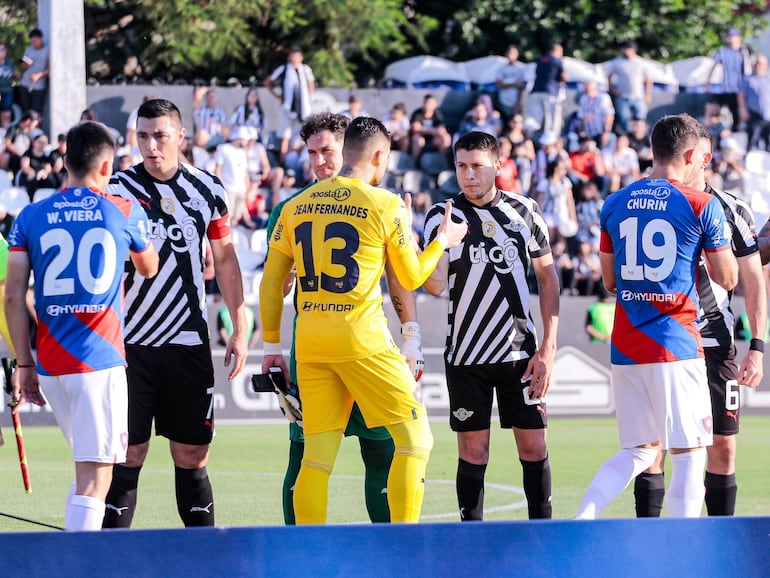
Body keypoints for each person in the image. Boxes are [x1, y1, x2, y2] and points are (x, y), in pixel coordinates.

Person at [260, 116, 468, 525]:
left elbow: (270, 286)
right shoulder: (386, 203)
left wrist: (271, 348)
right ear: (378, 156)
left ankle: (309, 556)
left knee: (315, 458)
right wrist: (444, 239)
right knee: (414, 441)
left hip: (311, 344)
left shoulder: (295, 206)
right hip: (363, 341)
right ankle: (403, 550)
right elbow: (410, 277)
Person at [575, 114, 739, 520]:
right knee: (689, 453)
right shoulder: (701, 203)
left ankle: (584, 515)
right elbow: (728, 277)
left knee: (638, 450)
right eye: (702, 157)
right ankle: (681, 548)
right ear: (688, 154)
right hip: (675, 343)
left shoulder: (614, 202)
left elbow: (611, 282)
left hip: (626, 344)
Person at [102, 98, 249, 529]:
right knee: (129, 453)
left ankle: (203, 558)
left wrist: (240, 324)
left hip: (188, 342)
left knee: (192, 454)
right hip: (130, 344)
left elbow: (224, 259)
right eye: (142, 137)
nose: (150, 146)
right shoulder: (116, 189)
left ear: (181, 137)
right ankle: (111, 558)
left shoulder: (209, 189)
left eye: (160, 136)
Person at [4, 121, 159, 531]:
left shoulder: (31, 215)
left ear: (65, 162)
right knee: (97, 479)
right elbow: (149, 266)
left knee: (86, 472)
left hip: (51, 364)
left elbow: (12, 296)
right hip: (98, 362)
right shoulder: (122, 208)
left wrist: (25, 364)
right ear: (107, 167)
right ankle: (78, 569)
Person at [423, 131, 560, 521]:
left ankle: (542, 536)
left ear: (498, 165)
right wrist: (430, 249)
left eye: (477, 166)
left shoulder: (525, 211)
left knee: (534, 446)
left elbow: (548, 279)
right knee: (473, 452)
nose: (468, 175)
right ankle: (471, 543)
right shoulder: (443, 215)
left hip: (520, 354)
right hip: (466, 356)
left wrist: (548, 349)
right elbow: (434, 286)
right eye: (461, 166)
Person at [633, 123, 766, 518]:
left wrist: (757, 346)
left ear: (703, 159)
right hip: (661, 344)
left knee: (722, 448)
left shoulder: (733, 209)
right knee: (652, 449)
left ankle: (717, 542)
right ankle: (650, 541)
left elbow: (754, 279)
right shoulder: (640, 201)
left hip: (714, 344)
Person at [265, 48, 315, 163]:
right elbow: (269, 81)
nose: (295, 59)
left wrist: (308, 97)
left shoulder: (305, 69)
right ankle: (283, 163)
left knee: (304, 135)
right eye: (293, 56)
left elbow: (311, 83)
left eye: (297, 56)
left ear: (301, 58)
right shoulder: (283, 69)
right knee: (285, 136)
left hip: (303, 109)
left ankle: (304, 161)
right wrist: (277, 96)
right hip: (287, 107)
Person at [708, 28, 752, 133]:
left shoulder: (745, 51)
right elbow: (713, 66)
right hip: (728, 89)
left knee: (740, 113)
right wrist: (708, 83)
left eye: (733, 37)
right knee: (712, 105)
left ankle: (738, 130)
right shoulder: (723, 51)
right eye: (729, 37)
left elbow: (750, 67)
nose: (730, 39)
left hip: (742, 89)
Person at [604, 40, 652, 134]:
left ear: (633, 50)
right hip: (622, 96)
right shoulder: (617, 62)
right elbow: (609, 76)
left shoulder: (640, 62)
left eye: (626, 49)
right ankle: (625, 139)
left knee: (641, 118)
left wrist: (648, 94)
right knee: (624, 119)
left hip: (638, 96)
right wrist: (613, 90)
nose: (624, 51)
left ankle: (641, 139)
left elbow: (648, 80)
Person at [525, 43, 567, 138]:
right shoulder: (557, 60)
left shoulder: (540, 60)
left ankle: (528, 138)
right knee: (551, 120)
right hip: (550, 92)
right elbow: (564, 77)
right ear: (557, 51)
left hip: (535, 91)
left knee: (533, 119)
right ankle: (551, 140)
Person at [738, 54, 770, 152]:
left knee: (768, 142)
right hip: (754, 114)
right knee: (753, 140)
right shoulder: (748, 79)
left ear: (766, 65)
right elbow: (741, 96)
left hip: (768, 115)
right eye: (757, 63)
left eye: (760, 64)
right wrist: (743, 110)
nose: (758, 66)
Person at [17, 29, 49, 117]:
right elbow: (22, 68)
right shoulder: (29, 49)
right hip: (25, 85)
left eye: (35, 41)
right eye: (32, 42)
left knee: (36, 114)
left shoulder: (47, 50)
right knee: (26, 112)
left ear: (41, 39)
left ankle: (36, 130)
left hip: (39, 87)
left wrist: (39, 75)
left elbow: (50, 68)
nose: (33, 43)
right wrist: (25, 65)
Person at [496, 45, 527, 119]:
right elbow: (499, 84)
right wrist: (514, 84)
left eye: (513, 53)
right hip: (503, 101)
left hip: (515, 102)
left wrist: (518, 102)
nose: (511, 55)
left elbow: (521, 87)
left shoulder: (521, 69)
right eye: (510, 53)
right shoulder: (501, 68)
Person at [0, 44, 16, 116]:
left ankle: (6, 127)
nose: (3, 51)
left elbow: (14, 74)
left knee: (6, 114)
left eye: (4, 49)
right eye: (1, 50)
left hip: (8, 90)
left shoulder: (10, 61)